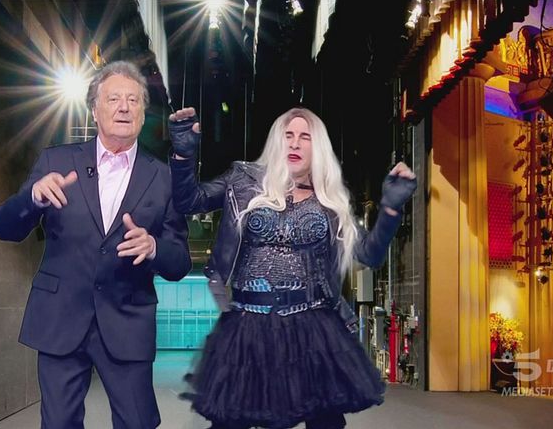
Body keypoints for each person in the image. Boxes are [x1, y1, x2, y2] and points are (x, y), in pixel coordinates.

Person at [168, 106, 416, 429]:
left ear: (318, 147)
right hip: (248, 325)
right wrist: (183, 156)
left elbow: (369, 254)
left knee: (325, 422)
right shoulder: (242, 182)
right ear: (277, 142)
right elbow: (189, 201)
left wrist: (391, 209)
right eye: (288, 135)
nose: (295, 143)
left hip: (311, 325)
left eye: (305, 137)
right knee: (230, 421)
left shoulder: (329, 201)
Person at [0, 61, 191, 429]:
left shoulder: (163, 178)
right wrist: (31, 199)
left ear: (143, 113)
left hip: (128, 321)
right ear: (94, 110)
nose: (124, 107)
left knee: (138, 423)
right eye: (113, 98)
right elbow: (4, 228)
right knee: (59, 423)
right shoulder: (55, 160)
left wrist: (153, 247)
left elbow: (179, 262)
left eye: (133, 100)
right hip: (60, 316)